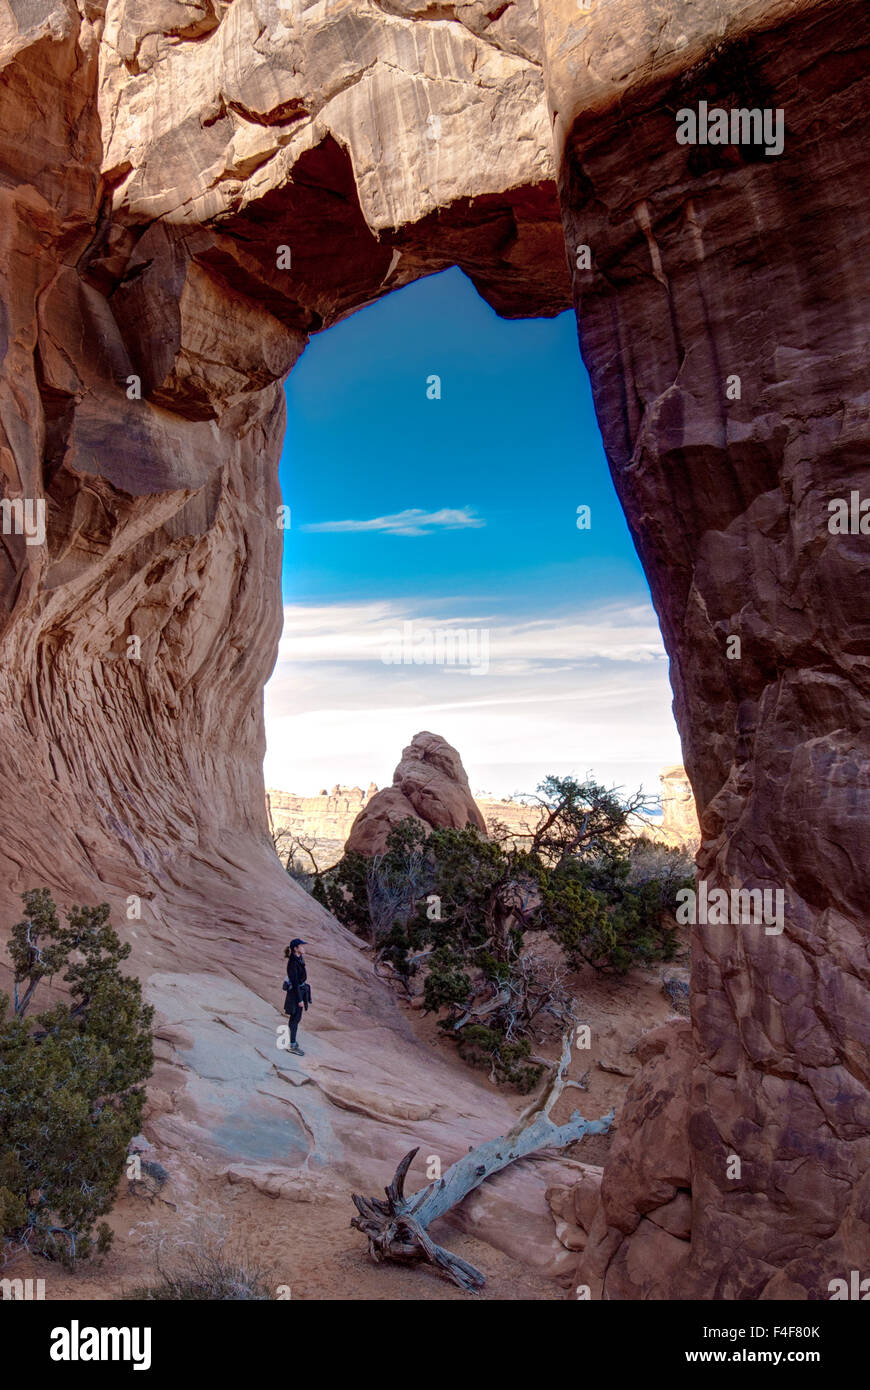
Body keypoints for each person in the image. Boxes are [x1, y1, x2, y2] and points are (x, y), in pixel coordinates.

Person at [282, 938, 310, 1056]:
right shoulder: (293, 963)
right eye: (301, 946)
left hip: (299, 991)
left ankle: (292, 1040)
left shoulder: (298, 958)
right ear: (295, 949)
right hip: (295, 994)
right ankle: (291, 1045)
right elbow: (294, 982)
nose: (303, 948)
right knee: (294, 1019)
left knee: (296, 1019)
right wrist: (299, 1000)